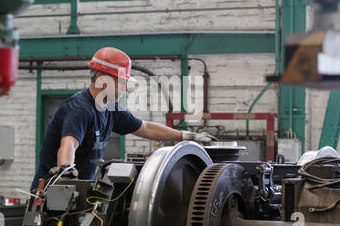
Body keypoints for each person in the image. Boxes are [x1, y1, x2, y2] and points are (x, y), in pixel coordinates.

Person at [30, 47, 216, 191]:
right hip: (54, 191)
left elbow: (145, 127)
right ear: (103, 79)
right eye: (122, 82)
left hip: (81, 188)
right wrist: (66, 172)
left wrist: (187, 136)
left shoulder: (111, 108)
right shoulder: (80, 109)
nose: (126, 89)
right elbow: (69, 144)